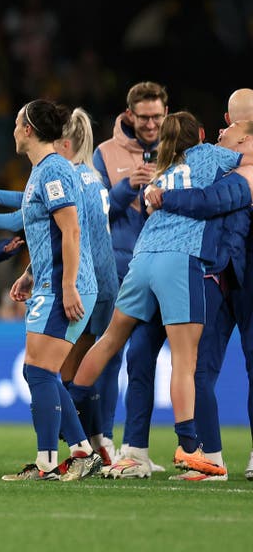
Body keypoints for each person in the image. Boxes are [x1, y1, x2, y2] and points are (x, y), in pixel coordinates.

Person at [70, 111, 253, 479]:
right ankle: (189, 447)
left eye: (229, 127)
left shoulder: (162, 169)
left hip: (142, 258)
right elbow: (239, 168)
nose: (223, 131)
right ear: (200, 136)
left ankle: (70, 415)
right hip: (180, 261)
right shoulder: (211, 155)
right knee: (186, 360)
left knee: (109, 341)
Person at [2, 100, 102, 481]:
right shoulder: (42, 170)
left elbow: (72, 229)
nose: (12, 131)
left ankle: (47, 463)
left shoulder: (54, 168)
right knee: (39, 371)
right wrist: (30, 273)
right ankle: (80, 452)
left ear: (28, 129)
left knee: (40, 371)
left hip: (65, 286)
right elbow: (50, 234)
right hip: (49, 281)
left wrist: (68, 285)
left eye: (16, 123)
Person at [149, 117, 253, 480]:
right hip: (217, 277)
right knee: (200, 370)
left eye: (232, 132)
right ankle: (212, 459)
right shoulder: (219, 167)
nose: (222, 134)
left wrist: (164, 196)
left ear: (247, 141)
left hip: (243, 280)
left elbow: (211, 202)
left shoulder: (249, 173)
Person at [91, 81, 169, 473]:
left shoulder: (179, 152)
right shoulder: (105, 153)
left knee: (142, 360)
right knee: (109, 356)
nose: (152, 124)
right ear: (129, 116)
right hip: (120, 269)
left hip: (164, 267)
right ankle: (102, 441)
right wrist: (127, 186)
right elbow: (94, 214)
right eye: (145, 117)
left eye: (158, 116)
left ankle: (136, 449)